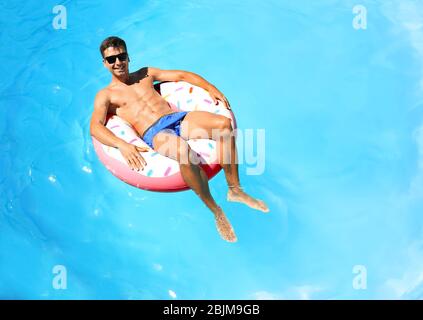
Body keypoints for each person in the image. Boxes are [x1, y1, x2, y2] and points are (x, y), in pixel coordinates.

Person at [90, 36, 269, 242]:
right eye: (111, 59)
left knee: (223, 125)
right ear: (105, 63)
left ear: (128, 57)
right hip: (155, 133)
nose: (117, 62)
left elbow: (182, 75)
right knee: (184, 152)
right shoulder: (106, 96)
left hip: (177, 119)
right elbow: (95, 127)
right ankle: (215, 210)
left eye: (121, 56)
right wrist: (122, 145)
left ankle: (235, 190)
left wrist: (211, 88)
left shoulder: (145, 73)